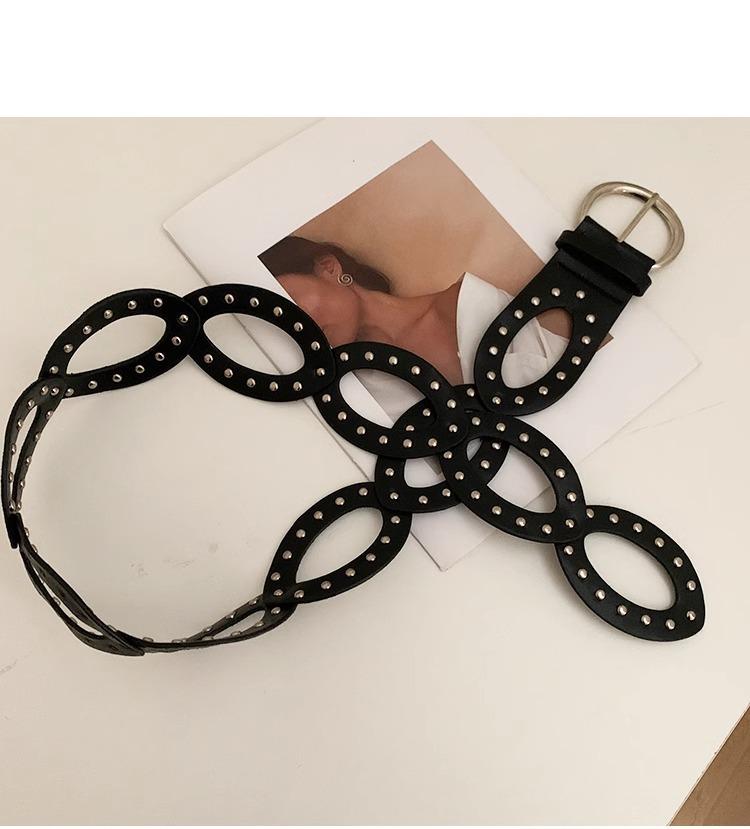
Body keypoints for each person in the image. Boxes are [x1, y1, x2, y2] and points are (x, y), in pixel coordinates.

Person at [259, 236, 567, 421]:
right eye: (285, 327)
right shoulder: (354, 397)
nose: (299, 329)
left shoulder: (471, 302)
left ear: (329, 268)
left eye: (293, 305)